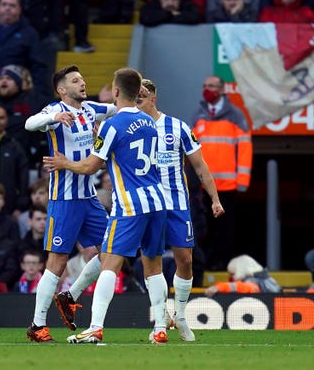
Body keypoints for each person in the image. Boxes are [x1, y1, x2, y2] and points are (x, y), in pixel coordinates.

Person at [43, 67, 169, 344]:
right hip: (158, 200)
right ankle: (160, 328)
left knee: (110, 263)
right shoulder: (150, 121)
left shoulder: (113, 125)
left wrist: (64, 163)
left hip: (129, 204)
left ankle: (95, 327)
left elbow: (90, 167)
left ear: (114, 92)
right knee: (154, 266)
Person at [23, 65, 115, 343]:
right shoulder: (53, 112)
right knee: (57, 262)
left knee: (112, 249)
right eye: (75, 80)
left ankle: (70, 295)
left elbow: (115, 108)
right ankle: (37, 325)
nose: (82, 83)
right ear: (62, 90)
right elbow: (28, 124)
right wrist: (53, 115)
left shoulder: (90, 109)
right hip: (64, 200)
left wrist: (136, 96)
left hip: (89, 198)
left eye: (83, 79)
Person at [134, 78, 224, 340]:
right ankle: (159, 322)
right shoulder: (131, 128)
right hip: (148, 204)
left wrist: (215, 199)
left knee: (185, 259)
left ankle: (181, 316)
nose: (137, 101)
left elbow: (200, 166)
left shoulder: (178, 127)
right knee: (152, 262)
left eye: (140, 97)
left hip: (176, 204)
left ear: (153, 98)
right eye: (134, 97)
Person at [191, 76, 252, 271]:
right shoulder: (198, 115)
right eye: (204, 85)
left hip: (226, 186)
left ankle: (221, 263)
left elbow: (244, 149)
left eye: (211, 86)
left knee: (224, 229)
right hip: (202, 186)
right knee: (203, 227)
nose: (206, 89)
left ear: (221, 89)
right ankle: (205, 263)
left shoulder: (236, 115)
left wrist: (242, 181)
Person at [204, 254, 282, 297]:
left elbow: (248, 287)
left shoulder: (253, 280)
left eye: (232, 274)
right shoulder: (268, 279)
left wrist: (219, 287)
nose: (231, 278)